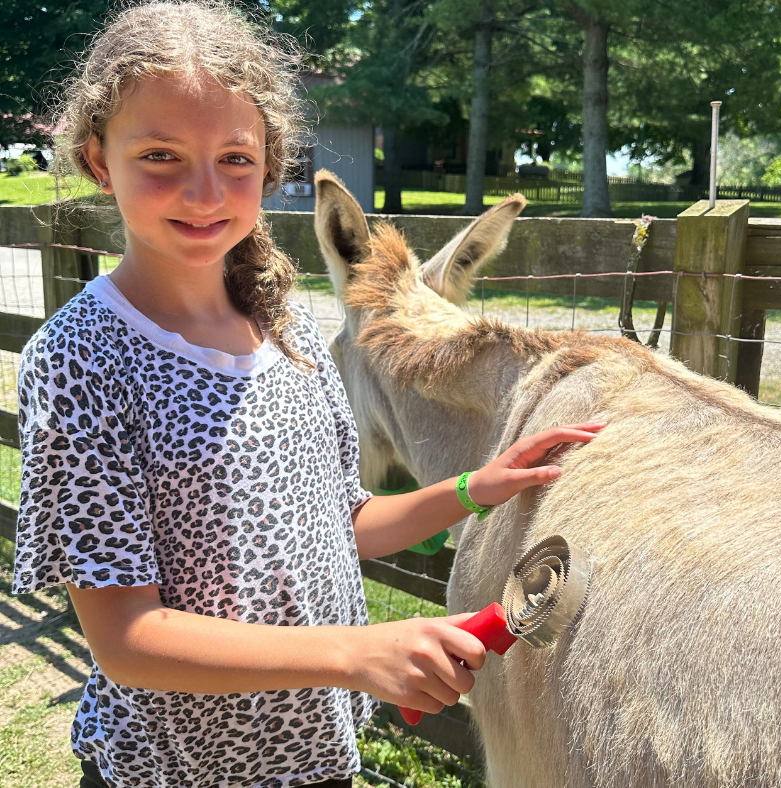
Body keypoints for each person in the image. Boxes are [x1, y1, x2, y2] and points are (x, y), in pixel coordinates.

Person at [12, 3, 605, 787]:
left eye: (234, 158)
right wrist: (356, 653)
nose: (204, 191)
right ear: (97, 158)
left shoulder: (284, 325)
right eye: (160, 155)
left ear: (270, 164)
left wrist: (473, 488)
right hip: (176, 773)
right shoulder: (80, 358)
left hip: (318, 757)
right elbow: (127, 640)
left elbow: (342, 523)